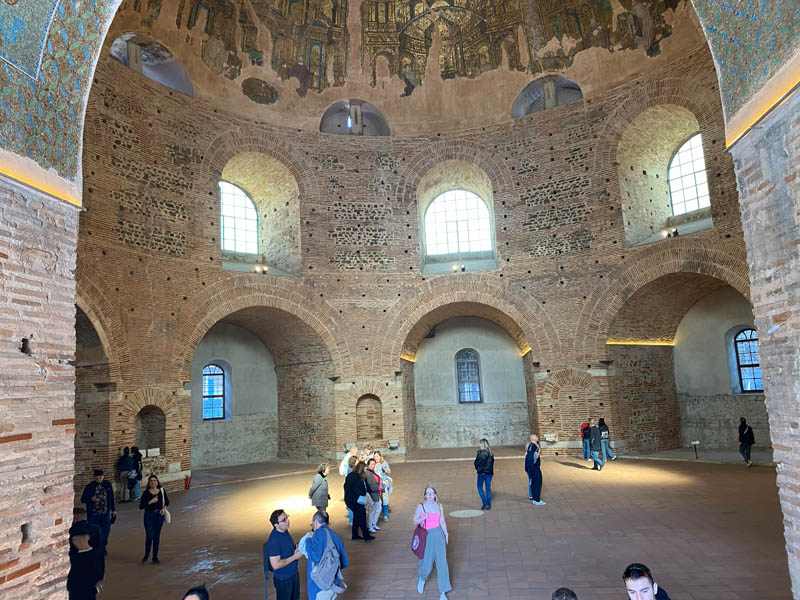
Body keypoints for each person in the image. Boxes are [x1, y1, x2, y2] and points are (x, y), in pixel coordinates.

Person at [413, 486, 451, 600]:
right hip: (427, 536)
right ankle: (422, 578)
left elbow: (442, 521)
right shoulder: (421, 507)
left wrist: (446, 534)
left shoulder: (439, 506)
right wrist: (423, 517)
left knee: (442, 562)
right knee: (426, 561)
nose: (430, 495)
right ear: (425, 495)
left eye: (432, 493)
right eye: (427, 493)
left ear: (435, 495)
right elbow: (415, 521)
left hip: (438, 535)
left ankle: (443, 591)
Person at [305, 510, 348, 600]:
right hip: (333, 584)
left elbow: (316, 558)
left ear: (316, 522)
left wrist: (308, 541)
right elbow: (344, 562)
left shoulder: (317, 535)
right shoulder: (336, 536)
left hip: (320, 586)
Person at [265, 509, 303, 599]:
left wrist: (296, 547)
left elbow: (285, 549)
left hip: (293, 574)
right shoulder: (274, 540)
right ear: (276, 525)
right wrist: (295, 557)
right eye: (284, 520)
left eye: (287, 517)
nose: (288, 521)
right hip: (283, 579)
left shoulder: (284, 531)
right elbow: (275, 565)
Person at [80, 469, 116, 551]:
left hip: (105, 513)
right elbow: (83, 499)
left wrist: (113, 510)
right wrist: (91, 499)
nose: (99, 480)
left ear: (103, 477)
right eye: (97, 478)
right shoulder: (89, 487)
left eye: (100, 478)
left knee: (105, 531)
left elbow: (111, 498)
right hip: (93, 514)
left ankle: (102, 548)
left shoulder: (107, 485)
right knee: (93, 532)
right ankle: (95, 549)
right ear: (94, 478)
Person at [67, 521, 103, 600]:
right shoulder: (73, 555)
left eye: (76, 539)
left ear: (88, 537)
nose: (77, 542)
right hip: (80, 590)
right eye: (74, 540)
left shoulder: (94, 555)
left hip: (84, 590)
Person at [139, 474, 169, 564]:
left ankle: (155, 557)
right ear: (149, 483)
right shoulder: (146, 493)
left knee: (156, 536)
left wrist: (163, 508)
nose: (153, 482)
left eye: (154, 480)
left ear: (157, 482)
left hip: (159, 516)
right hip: (149, 515)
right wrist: (150, 502)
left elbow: (167, 502)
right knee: (149, 536)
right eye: (151, 481)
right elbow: (141, 506)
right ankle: (146, 555)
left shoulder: (162, 491)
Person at [70, 507, 105, 582]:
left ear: (74, 518)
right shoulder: (96, 529)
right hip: (96, 568)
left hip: (78, 572)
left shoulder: (71, 532)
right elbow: (101, 550)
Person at [343, 462, 373, 541]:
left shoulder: (350, 475)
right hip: (356, 501)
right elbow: (361, 491)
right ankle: (366, 536)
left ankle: (355, 535)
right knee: (362, 517)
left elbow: (345, 486)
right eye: (365, 469)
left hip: (350, 500)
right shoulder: (357, 477)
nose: (366, 471)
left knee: (356, 517)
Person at [474, 438, 494, 510]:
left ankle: (484, 503)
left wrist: (478, 469)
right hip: (489, 473)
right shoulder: (491, 453)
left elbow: (476, 463)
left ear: (482, 445)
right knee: (488, 488)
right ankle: (488, 504)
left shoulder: (480, 453)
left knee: (479, 487)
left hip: (482, 473)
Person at [525, 434, 545, 505]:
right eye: (536, 437)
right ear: (533, 439)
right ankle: (537, 500)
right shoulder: (535, 447)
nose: (537, 437)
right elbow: (536, 457)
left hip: (531, 468)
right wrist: (539, 450)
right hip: (534, 468)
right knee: (537, 483)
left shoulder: (530, 446)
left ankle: (534, 498)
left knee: (534, 483)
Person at [365, 458, 382, 533]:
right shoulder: (368, 473)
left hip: (376, 493)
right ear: (368, 465)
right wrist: (379, 488)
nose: (373, 465)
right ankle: (370, 526)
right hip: (372, 494)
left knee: (377, 509)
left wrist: (382, 486)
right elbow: (370, 485)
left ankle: (373, 524)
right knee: (372, 511)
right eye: (372, 464)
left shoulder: (373, 472)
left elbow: (378, 481)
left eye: (374, 464)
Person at [374, 451, 392, 521]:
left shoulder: (384, 463)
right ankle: (377, 513)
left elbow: (389, 472)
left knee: (384, 497)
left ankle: (385, 515)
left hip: (383, 482)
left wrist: (385, 470)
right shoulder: (373, 463)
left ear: (380, 457)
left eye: (377, 456)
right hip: (375, 483)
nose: (376, 458)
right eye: (375, 456)